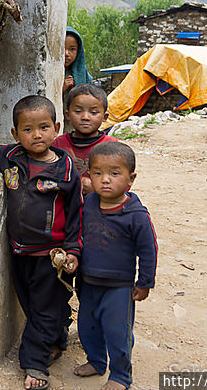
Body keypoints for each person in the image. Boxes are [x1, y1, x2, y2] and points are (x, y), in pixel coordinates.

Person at [0, 95, 82, 390]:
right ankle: (58, 336)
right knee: (32, 304)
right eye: (28, 129)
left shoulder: (66, 170)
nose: (36, 135)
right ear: (16, 134)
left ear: (56, 128)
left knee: (43, 308)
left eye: (44, 127)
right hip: (20, 251)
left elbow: (75, 215)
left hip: (51, 255)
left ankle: (35, 364)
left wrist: (73, 250)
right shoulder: (11, 156)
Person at [73, 142, 157, 390]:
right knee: (87, 327)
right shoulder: (88, 204)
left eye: (114, 173)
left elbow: (149, 251)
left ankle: (120, 375)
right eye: (97, 173)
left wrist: (145, 283)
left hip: (118, 287)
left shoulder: (136, 215)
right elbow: (78, 235)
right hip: (87, 282)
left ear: (131, 178)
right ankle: (96, 361)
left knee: (117, 332)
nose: (105, 180)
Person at [53, 84, 117, 194]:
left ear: (104, 117)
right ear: (67, 114)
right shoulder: (58, 144)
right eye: (78, 111)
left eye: (93, 112)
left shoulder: (112, 146)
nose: (85, 117)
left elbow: (122, 180)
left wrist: (97, 188)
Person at [63, 26, 93, 94]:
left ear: (79, 51)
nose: (66, 53)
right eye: (62, 48)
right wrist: (61, 89)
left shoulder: (85, 77)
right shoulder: (47, 74)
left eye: (72, 49)